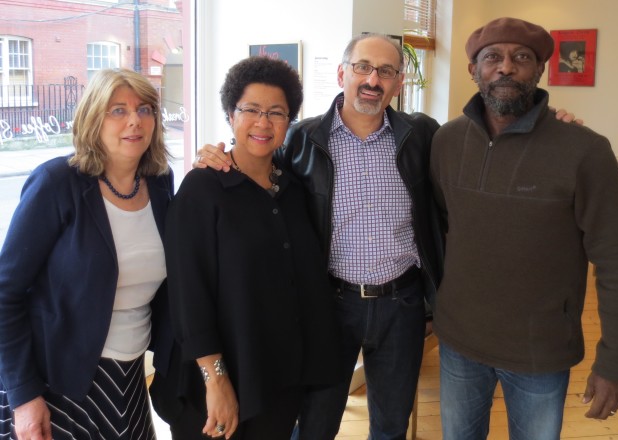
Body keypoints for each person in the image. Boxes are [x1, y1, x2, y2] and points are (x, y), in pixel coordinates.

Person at [195, 33, 580, 440]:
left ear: (399, 83)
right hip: (329, 303)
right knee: (314, 422)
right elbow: (259, 182)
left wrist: (548, 127)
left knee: (392, 423)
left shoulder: (424, 136)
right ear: (343, 73)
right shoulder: (301, 140)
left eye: (386, 71)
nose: (372, 80)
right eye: (362, 67)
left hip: (403, 305)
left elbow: (490, 142)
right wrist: (216, 158)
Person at [429, 17, 618, 440]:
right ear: (473, 70)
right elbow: (439, 230)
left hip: (540, 350)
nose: (506, 67)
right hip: (459, 342)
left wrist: (615, 363)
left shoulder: (585, 151)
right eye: (492, 57)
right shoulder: (446, 142)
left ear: (540, 69)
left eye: (521, 57)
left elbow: (617, 262)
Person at [163, 56, 341, 440]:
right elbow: (188, 296)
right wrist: (216, 381)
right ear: (230, 114)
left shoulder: (293, 189)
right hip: (215, 385)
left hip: (278, 379)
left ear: (289, 121)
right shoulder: (202, 190)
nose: (263, 123)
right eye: (251, 110)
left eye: (277, 113)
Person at [0, 68, 175, 440]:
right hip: (57, 380)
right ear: (93, 118)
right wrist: (24, 396)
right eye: (118, 110)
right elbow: (5, 293)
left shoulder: (160, 183)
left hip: (130, 376)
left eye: (145, 109)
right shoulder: (56, 184)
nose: (134, 120)